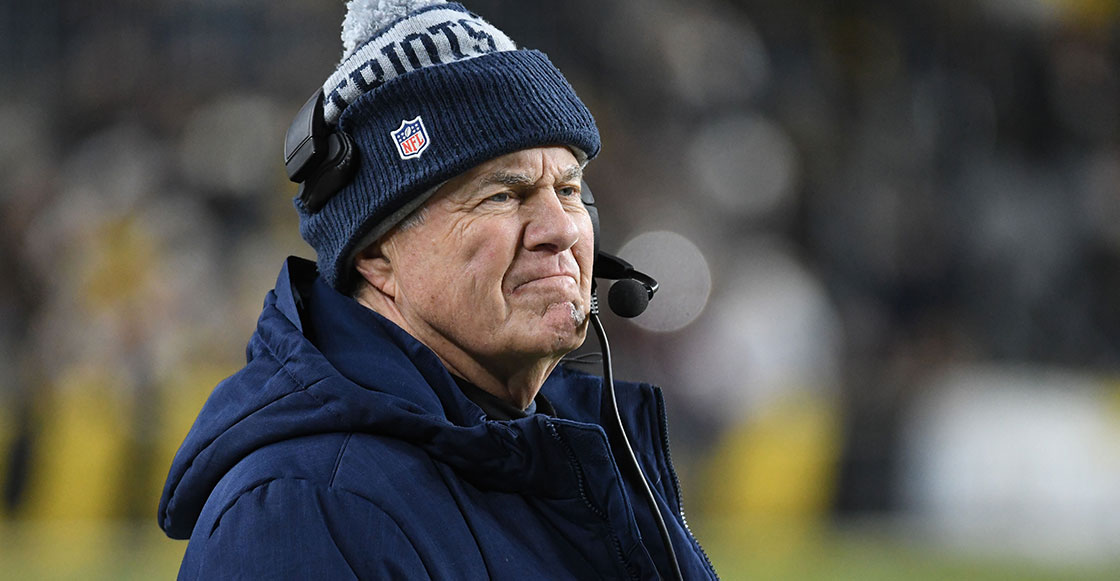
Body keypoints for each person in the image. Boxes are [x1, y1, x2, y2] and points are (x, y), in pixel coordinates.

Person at [157, 1, 718, 579]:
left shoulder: (569, 456)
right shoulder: (304, 512)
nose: (561, 230)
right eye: (503, 195)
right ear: (376, 255)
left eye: (569, 191)